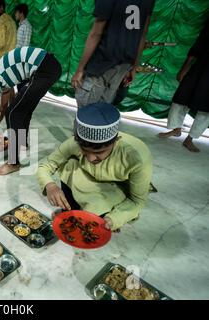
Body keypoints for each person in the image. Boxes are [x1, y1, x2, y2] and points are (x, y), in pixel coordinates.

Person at [37, 102, 153, 231]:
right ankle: (69, 211)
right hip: (86, 176)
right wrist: (50, 185)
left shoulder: (137, 156)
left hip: (116, 186)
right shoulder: (74, 143)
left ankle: (99, 213)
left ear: (116, 141)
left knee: (99, 216)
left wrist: (113, 219)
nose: (91, 158)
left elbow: (137, 201)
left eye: (99, 153)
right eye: (85, 150)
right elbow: (46, 165)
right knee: (69, 166)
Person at [0, 46, 62, 175]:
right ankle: (22, 144)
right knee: (22, 110)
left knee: (13, 113)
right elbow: (3, 107)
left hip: (43, 68)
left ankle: (13, 163)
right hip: (50, 66)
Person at [71, 0, 154, 107]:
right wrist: (133, 67)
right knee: (102, 115)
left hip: (101, 64)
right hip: (124, 64)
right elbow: (143, 34)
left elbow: (96, 33)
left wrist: (80, 70)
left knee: (86, 116)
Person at [157, 19, 209, 153]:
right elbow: (199, 45)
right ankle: (176, 129)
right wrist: (185, 67)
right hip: (200, 67)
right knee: (182, 97)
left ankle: (190, 139)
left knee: (206, 109)